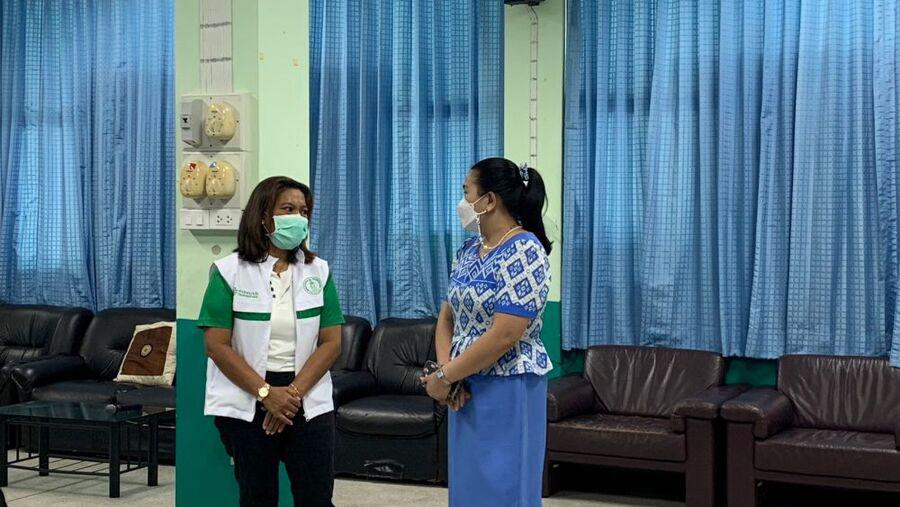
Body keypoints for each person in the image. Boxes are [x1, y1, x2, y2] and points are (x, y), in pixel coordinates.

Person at [197, 176, 344, 507]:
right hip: (248, 398)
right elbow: (216, 345)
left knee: (317, 499)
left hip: (307, 395)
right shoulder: (228, 271)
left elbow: (332, 342)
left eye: (303, 211)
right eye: (288, 209)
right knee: (257, 497)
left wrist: (290, 396)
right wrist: (266, 394)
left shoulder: (318, 271)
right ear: (263, 216)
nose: (298, 218)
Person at [421, 157, 554, 507]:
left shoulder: (525, 250)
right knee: (469, 487)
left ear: (489, 200)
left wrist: (446, 376)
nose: (463, 202)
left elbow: (506, 334)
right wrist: (448, 374)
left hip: (509, 386)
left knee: (505, 487)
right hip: (465, 387)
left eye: (467, 193)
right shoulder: (468, 251)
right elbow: (447, 317)